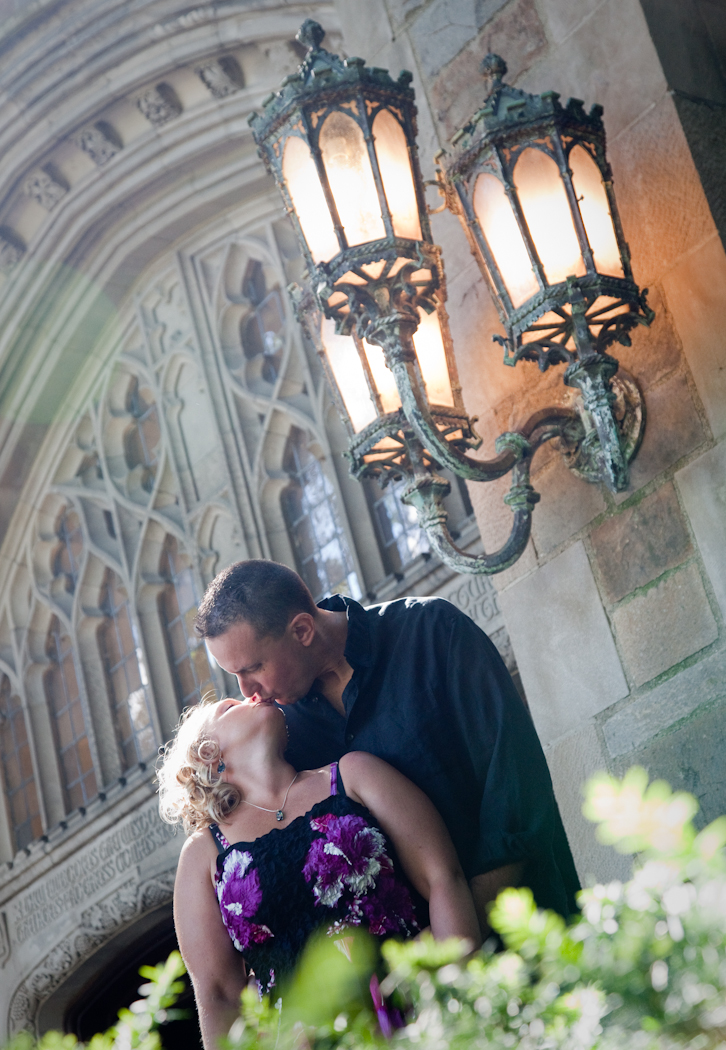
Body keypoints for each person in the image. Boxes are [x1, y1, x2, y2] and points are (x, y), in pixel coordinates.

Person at [195, 560, 580, 937]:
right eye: (235, 675)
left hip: (531, 928)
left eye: (252, 668)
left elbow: (517, 790)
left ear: (302, 630)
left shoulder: (431, 632)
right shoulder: (283, 731)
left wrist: (453, 941)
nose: (247, 691)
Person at [158, 695, 481, 1050]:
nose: (251, 694)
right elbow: (219, 995)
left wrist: (461, 1001)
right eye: (229, 707)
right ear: (207, 754)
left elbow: (443, 879)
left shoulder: (354, 775)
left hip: (418, 1021)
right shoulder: (203, 853)